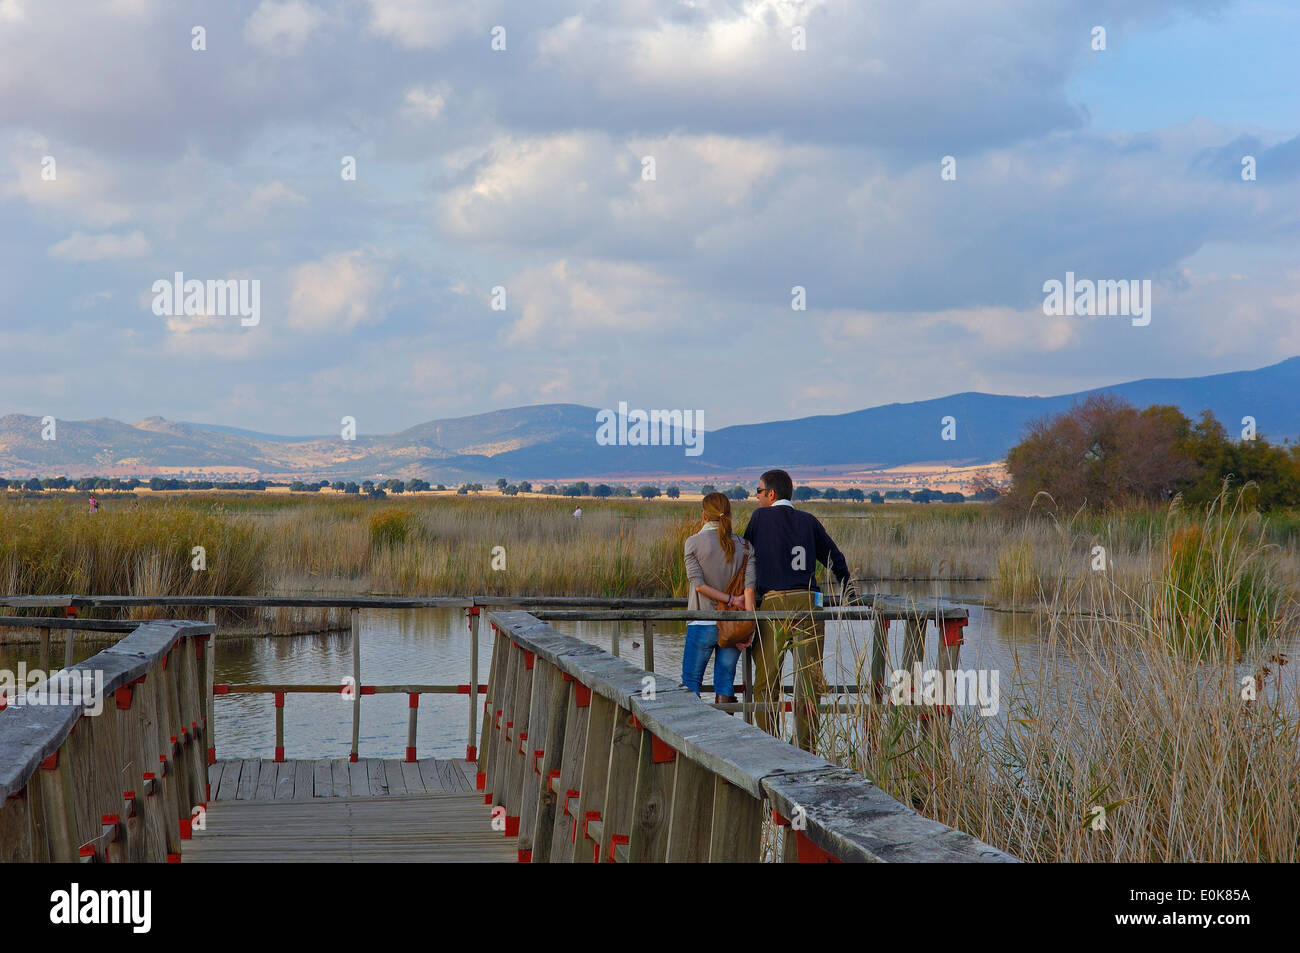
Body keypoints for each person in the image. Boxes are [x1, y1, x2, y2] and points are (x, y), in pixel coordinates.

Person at [743, 469, 856, 752]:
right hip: (809, 604)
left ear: (771, 494)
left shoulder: (760, 518)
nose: (756, 497)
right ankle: (807, 748)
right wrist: (849, 593)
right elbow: (835, 558)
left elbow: (745, 556)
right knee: (809, 680)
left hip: (775, 606)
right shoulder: (808, 521)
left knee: (766, 681)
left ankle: (769, 744)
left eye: (758, 491)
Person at [682, 492, 756, 708]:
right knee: (725, 683)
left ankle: (692, 736)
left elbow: (699, 586)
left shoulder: (693, 543)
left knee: (690, 684)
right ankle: (726, 737)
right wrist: (748, 627)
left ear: (704, 515)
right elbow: (750, 590)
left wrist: (731, 598)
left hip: (701, 621)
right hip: (733, 625)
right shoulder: (746, 547)